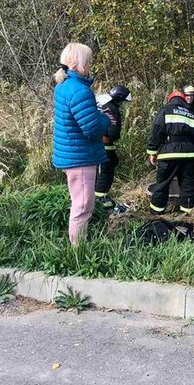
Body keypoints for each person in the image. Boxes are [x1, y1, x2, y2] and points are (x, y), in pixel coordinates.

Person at [52, 42, 110, 246]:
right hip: (81, 156)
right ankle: (78, 251)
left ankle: (78, 244)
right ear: (79, 63)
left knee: (80, 203)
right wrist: (106, 119)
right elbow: (92, 128)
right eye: (89, 60)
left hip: (72, 153)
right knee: (83, 205)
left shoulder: (63, 86)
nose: (91, 64)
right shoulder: (79, 91)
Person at [147, 90, 194, 214]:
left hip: (169, 153)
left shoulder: (165, 110)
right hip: (190, 155)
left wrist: (152, 151)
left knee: (162, 184)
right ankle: (188, 214)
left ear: (170, 100)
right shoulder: (193, 115)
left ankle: (156, 214)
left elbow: (156, 131)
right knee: (187, 184)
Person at [95, 85, 132, 209]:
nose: (122, 105)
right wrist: (111, 137)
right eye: (122, 102)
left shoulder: (99, 102)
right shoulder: (111, 109)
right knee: (105, 172)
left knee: (100, 170)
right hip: (104, 145)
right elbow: (114, 132)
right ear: (118, 99)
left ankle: (97, 199)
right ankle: (100, 200)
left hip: (93, 145)